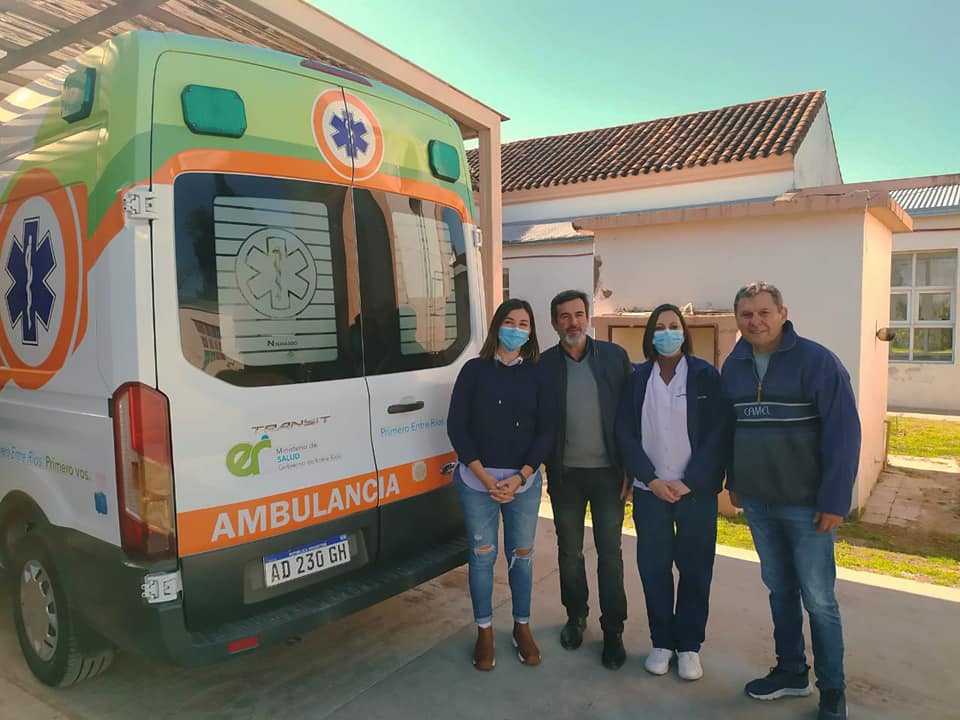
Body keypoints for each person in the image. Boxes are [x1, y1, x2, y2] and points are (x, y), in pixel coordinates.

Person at [721, 282, 860, 720]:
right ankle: (791, 671)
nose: (755, 321)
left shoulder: (818, 362)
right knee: (779, 589)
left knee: (818, 598)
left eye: (764, 312)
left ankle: (832, 691)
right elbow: (731, 429)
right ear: (737, 319)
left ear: (783, 313)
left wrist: (836, 499)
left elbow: (843, 435)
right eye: (746, 315)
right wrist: (735, 481)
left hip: (807, 506)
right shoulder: (735, 364)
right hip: (759, 502)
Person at [615, 303, 727, 682]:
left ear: (684, 332)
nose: (667, 333)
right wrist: (650, 478)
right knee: (654, 569)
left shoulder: (704, 376)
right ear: (649, 335)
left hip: (694, 493)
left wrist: (690, 480)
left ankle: (690, 647)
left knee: (695, 571)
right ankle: (662, 643)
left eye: (673, 326)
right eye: (660, 327)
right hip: (652, 493)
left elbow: (717, 435)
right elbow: (625, 434)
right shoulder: (637, 378)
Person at [447, 298, 555, 671]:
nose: (516, 329)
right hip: (478, 483)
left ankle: (521, 626)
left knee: (521, 558)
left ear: (531, 332)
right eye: (510, 322)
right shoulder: (473, 371)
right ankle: (485, 631)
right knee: (482, 559)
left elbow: (546, 432)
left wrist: (521, 476)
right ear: (497, 327)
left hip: (522, 484)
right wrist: (484, 476)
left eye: (524, 324)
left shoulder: (539, 374)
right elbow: (457, 428)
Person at [539, 289, 632, 670]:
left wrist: (630, 469)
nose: (573, 322)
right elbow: (536, 422)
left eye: (579, 314)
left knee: (611, 555)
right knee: (570, 555)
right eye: (564, 316)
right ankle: (576, 617)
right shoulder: (542, 365)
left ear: (588, 317)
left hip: (609, 475)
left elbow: (630, 416)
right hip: (566, 477)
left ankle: (613, 631)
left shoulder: (614, 357)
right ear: (554, 323)